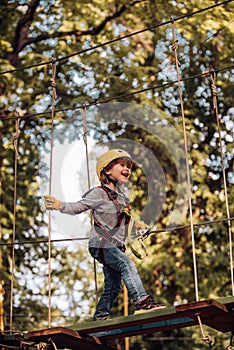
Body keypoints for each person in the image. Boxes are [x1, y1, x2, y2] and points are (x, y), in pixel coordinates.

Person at [44, 149, 166, 321]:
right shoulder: (99, 193)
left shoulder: (123, 199)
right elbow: (78, 207)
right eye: (121, 165)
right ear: (107, 170)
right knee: (126, 264)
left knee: (114, 285)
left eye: (128, 166)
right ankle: (142, 302)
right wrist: (59, 205)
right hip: (101, 243)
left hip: (114, 245)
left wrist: (138, 226)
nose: (127, 169)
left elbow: (124, 223)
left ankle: (100, 316)